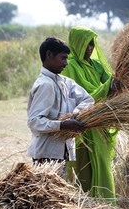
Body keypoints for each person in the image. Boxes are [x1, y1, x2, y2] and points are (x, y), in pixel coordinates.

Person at [61, 26, 123, 203]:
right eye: (86, 44)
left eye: (92, 44)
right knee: (83, 166)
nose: (91, 48)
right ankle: (84, 204)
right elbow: (84, 96)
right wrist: (107, 88)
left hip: (98, 124)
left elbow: (109, 81)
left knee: (102, 164)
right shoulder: (70, 67)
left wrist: (121, 84)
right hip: (80, 125)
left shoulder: (96, 65)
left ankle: (105, 203)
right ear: (77, 44)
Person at [27, 37, 94, 177]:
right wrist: (62, 125)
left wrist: (75, 115)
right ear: (49, 55)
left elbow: (88, 99)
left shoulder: (65, 82)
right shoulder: (45, 85)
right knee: (48, 195)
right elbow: (34, 121)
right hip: (46, 154)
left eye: (67, 58)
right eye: (63, 58)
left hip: (61, 151)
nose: (66, 63)